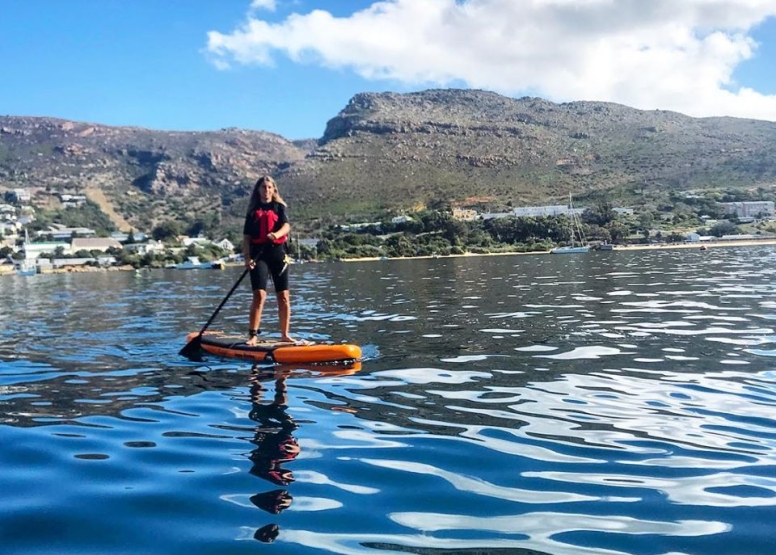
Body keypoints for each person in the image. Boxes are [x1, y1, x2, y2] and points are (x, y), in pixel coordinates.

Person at [242, 175, 301, 345]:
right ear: (258, 190)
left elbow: (286, 226)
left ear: (274, 189)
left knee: (283, 296)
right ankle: (253, 335)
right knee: (259, 295)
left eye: (269, 187)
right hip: (258, 255)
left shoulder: (279, 207)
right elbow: (246, 237)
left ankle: (284, 334)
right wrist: (247, 258)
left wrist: (276, 234)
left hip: (278, 254)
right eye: (263, 187)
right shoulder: (252, 211)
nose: (266, 190)